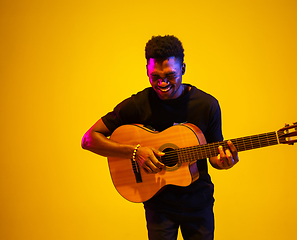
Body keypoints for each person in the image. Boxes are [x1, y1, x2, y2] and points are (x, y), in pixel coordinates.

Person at [81, 35, 239, 240]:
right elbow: (89, 139)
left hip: (198, 204)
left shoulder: (206, 105)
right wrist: (135, 152)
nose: (162, 83)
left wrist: (223, 162)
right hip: (158, 206)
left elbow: (214, 157)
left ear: (183, 68)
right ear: (146, 70)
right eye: (155, 76)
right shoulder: (139, 104)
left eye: (170, 75)